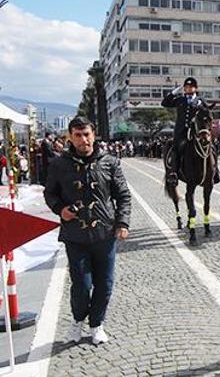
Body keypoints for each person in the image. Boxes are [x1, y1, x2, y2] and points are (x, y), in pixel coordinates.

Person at [43, 117, 131, 345]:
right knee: (82, 285)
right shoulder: (58, 164)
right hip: (76, 235)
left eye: (87, 134)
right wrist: (60, 209)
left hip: (105, 234)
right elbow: (49, 193)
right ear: (70, 137)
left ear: (94, 134)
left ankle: (96, 324)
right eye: (78, 135)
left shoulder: (110, 162)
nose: (84, 140)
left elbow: (123, 196)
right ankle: (78, 320)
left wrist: (122, 223)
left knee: (105, 283)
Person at [161, 77, 220, 184]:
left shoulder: (200, 100)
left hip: (196, 132)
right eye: (186, 87)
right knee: (176, 148)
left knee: (212, 148)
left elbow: (207, 112)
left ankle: (216, 173)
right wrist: (174, 92)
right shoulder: (180, 100)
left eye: (191, 87)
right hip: (181, 131)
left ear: (195, 88)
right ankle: (173, 173)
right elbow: (164, 103)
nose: (188, 89)